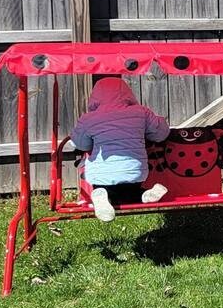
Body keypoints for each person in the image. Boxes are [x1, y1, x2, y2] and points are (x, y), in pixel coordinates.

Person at [70, 77, 171, 222]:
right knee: (131, 193)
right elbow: (161, 134)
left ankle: (102, 195)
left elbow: (79, 144)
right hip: (135, 171)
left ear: (95, 96)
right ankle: (145, 195)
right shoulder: (141, 112)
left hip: (102, 173)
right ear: (128, 93)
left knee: (109, 190)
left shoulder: (89, 118)